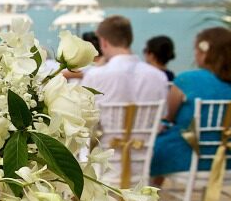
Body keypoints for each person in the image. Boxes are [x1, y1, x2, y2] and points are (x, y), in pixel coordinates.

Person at [150, 27, 231, 179]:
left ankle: (149, 196)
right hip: (226, 159)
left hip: (189, 155)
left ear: (205, 52)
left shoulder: (187, 79)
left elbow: (169, 117)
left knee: (150, 147)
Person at [81, 15, 169, 106]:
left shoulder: (94, 75)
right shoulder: (158, 76)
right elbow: (163, 114)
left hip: (108, 120)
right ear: (130, 39)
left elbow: (83, 111)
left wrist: (97, 67)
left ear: (103, 42)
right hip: (149, 121)